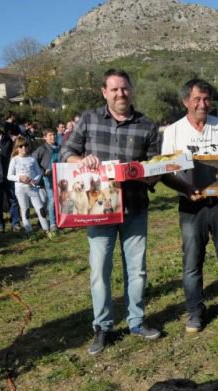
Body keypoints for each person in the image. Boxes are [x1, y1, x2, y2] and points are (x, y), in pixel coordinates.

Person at [61, 68, 162, 355]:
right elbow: (66, 153)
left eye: (125, 88)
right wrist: (83, 159)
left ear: (132, 90)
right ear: (105, 92)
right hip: (98, 210)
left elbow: (156, 168)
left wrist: (140, 172)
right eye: (114, 89)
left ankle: (137, 321)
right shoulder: (89, 120)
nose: (120, 94)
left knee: (137, 270)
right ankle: (103, 327)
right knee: (99, 271)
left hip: (135, 207)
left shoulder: (147, 125)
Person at [160, 79, 218, 334]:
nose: (202, 104)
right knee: (192, 262)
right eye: (197, 99)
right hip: (191, 205)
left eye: (206, 99)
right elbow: (165, 171)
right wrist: (185, 189)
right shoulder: (173, 131)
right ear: (186, 101)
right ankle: (195, 312)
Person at [7, 136, 51, 236]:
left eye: (25, 145)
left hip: (33, 188)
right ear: (17, 148)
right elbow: (9, 176)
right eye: (21, 146)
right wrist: (20, 178)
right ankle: (29, 231)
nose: (23, 148)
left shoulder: (32, 159)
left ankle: (46, 229)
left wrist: (34, 180)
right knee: (25, 209)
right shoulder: (14, 160)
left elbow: (39, 172)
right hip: (20, 189)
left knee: (40, 208)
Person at [31, 128, 59, 232]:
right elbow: (32, 161)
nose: (53, 137)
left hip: (60, 177)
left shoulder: (59, 147)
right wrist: (43, 171)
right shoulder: (41, 149)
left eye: (54, 135)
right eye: (50, 135)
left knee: (60, 200)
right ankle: (52, 224)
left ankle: (60, 221)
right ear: (45, 137)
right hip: (48, 178)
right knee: (52, 200)